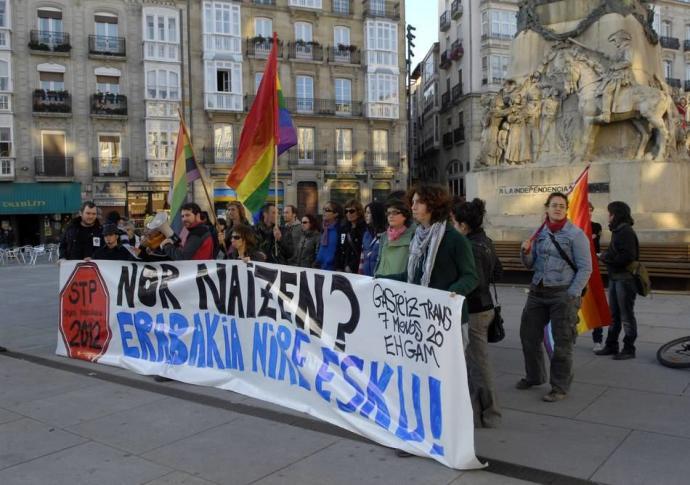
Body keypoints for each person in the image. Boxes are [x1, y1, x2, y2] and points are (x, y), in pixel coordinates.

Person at [382, 184, 478, 458]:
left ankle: (448, 431)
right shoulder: (418, 238)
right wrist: (379, 281)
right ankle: (419, 433)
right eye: (412, 202)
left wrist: (446, 296)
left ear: (433, 206)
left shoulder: (453, 239)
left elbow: (470, 277)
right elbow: (412, 279)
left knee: (446, 379)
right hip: (419, 321)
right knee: (419, 378)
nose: (412, 207)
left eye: (418, 202)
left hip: (445, 322)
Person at [518, 192, 592, 402]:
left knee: (562, 343)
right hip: (537, 292)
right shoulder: (539, 233)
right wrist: (525, 252)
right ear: (547, 209)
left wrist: (572, 293)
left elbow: (586, 268)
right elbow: (530, 264)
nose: (558, 208)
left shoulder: (575, 235)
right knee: (528, 336)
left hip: (562, 294)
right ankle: (534, 376)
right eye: (554, 205)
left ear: (566, 209)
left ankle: (559, 387)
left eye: (562, 205)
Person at [452, 198, 502, 428]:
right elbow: (498, 272)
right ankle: (480, 410)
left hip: (475, 310)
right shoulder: (485, 241)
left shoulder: (470, 246)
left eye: (454, 222)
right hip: (485, 307)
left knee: (478, 364)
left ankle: (489, 414)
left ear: (463, 225)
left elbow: (476, 282)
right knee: (475, 362)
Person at [595, 201, 640, 360]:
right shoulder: (618, 230)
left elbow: (628, 257)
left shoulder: (625, 231)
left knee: (626, 315)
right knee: (614, 314)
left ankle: (629, 348)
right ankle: (611, 345)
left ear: (616, 214)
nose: (608, 216)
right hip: (615, 278)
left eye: (610, 213)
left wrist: (605, 257)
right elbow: (617, 251)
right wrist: (606, 256)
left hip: (625, 280)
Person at [374, 198, 415, 277]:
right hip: (381, 283)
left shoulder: (413, 235)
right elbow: (379, 260)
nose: (391, 216)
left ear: (405, 215)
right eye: (388, 213)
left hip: (399, 285)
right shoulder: (384, 236)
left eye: (395, 212)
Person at [589, 202, 605, 352]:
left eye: (590, 210)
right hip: (576, 270)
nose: (589, 213)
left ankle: (598, 339)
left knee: (596, 303)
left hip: (593, 268)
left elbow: (595, 241)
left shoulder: (596, 226)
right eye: (585, 210)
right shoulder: (572, 227)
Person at [335, 199, 366, 273]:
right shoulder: (344, 229)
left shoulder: (364, 229)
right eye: (346, 211)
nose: (348, 213)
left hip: (357, 270)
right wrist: (338, 267)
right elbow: (339, 248)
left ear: (359, 212)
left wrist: (351, 266)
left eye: (351, 211)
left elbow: (362, 251)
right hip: (343, 269)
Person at [359, 202, 386, 276]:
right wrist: (360, 274)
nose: (366, 215)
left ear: (376, 214)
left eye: (368, 213)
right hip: (366, 278)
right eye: (365, 212)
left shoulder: (385, 234)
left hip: (378, 280)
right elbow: (362, 257)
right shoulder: (366, 234)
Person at [315, 201, 342, 270]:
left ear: (336, 214)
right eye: (323, 209)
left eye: (327, 210)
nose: (324, 212)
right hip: (320, 268)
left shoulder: (340, 230)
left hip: (332, 269)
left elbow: (341, 250)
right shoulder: (323, 228)